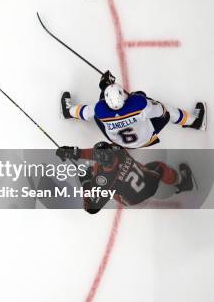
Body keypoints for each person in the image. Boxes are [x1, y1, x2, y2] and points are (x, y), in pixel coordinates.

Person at [61, 71, 206, 148]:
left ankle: (67, 113)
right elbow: (160, 111)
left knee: (93, 113)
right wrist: (142, 98)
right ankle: (194, 122)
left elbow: (85, 112)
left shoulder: (100, 108)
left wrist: (104, 86)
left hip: (119, 141)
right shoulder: (138, 104)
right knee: (167, 110)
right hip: (145, 139)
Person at [56, 142, 194, 214]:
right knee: (159, 166)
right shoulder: (118, 150)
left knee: (107, 187)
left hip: (133, 201)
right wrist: (74, 152)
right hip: (148, 183)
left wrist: (86, 182)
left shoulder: (103, 180)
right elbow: (97, 154)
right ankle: (182, 183)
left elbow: (91, 208)